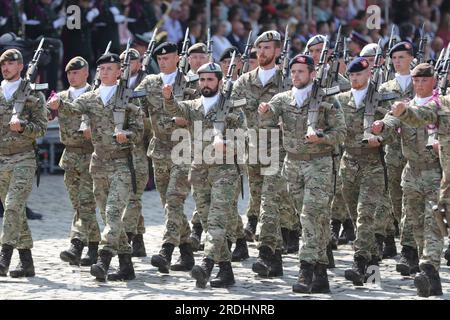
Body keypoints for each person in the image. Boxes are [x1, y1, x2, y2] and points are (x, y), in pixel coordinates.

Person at [48, 52, 143, 282]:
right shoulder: (91, 97)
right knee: (106, 215)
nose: (105, 73)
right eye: (102, 69)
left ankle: (104, 259)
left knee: (112, 213)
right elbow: (72, 109)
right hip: (98, 163)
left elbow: (139, 131)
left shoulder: (128, 97)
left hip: (121, 162)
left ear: (120, 71)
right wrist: (58, 104)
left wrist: (126, 134)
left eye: (110, 69)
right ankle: (126, 264)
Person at [258, 53, 346, 293]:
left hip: (319, 164)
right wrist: (265, 111)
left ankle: (305, 270)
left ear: (312, 74)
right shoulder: (283, 98)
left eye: (301, 72)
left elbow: (341, 133)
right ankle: (320, 272)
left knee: (310, 215)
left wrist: (322, 137)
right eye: (293, 72)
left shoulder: (327, 100)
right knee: (311, 219)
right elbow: (266, 122)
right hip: (292, 165)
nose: (296, 76)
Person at [163, 62, 246, 288]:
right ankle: (226, 270)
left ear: (220, 82)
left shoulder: (231, 106)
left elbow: (245, 138)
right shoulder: (193, 106)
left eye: (210, 80)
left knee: (218, 218)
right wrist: (169, 97)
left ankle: (207, 264)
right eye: (202, 80)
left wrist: (227, 145)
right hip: (199, 170)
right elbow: (175, 110)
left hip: (225, 171)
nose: (205, 84)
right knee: (208, 220)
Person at [372, 63, 444, 297]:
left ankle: (429, 267)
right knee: (415, 224)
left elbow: (421, 116)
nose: (420, 84)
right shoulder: (405, 105)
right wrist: (382, 126)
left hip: (436, 172)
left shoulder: (441, 105)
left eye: (424, 80)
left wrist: (403, 113)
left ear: (433, 81)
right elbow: (392, 122)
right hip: (411, 172)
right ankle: (429, 273)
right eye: (416, 80)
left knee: (434, 223)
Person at [0, 48, 47, 278]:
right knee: (16, 211)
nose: (6, 68)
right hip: (1, 159)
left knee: (11, 206)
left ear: (21, 66)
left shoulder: (32, 95)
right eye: (3, 64)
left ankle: (4, 256)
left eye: (11, 64)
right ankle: (26, 262)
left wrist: (24, 128)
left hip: (24, 158)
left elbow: (41, 128)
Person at [56, 57, 101, 267]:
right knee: (79, 204)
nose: (72, 76)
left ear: (86, 74)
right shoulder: (61, 96)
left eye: (76, 72)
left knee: (85, 202)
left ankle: (76, 244)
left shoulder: (96, 95)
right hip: (70, 156)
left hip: (90, 156)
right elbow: (45, 115)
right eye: (69, 73)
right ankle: (93, 247)